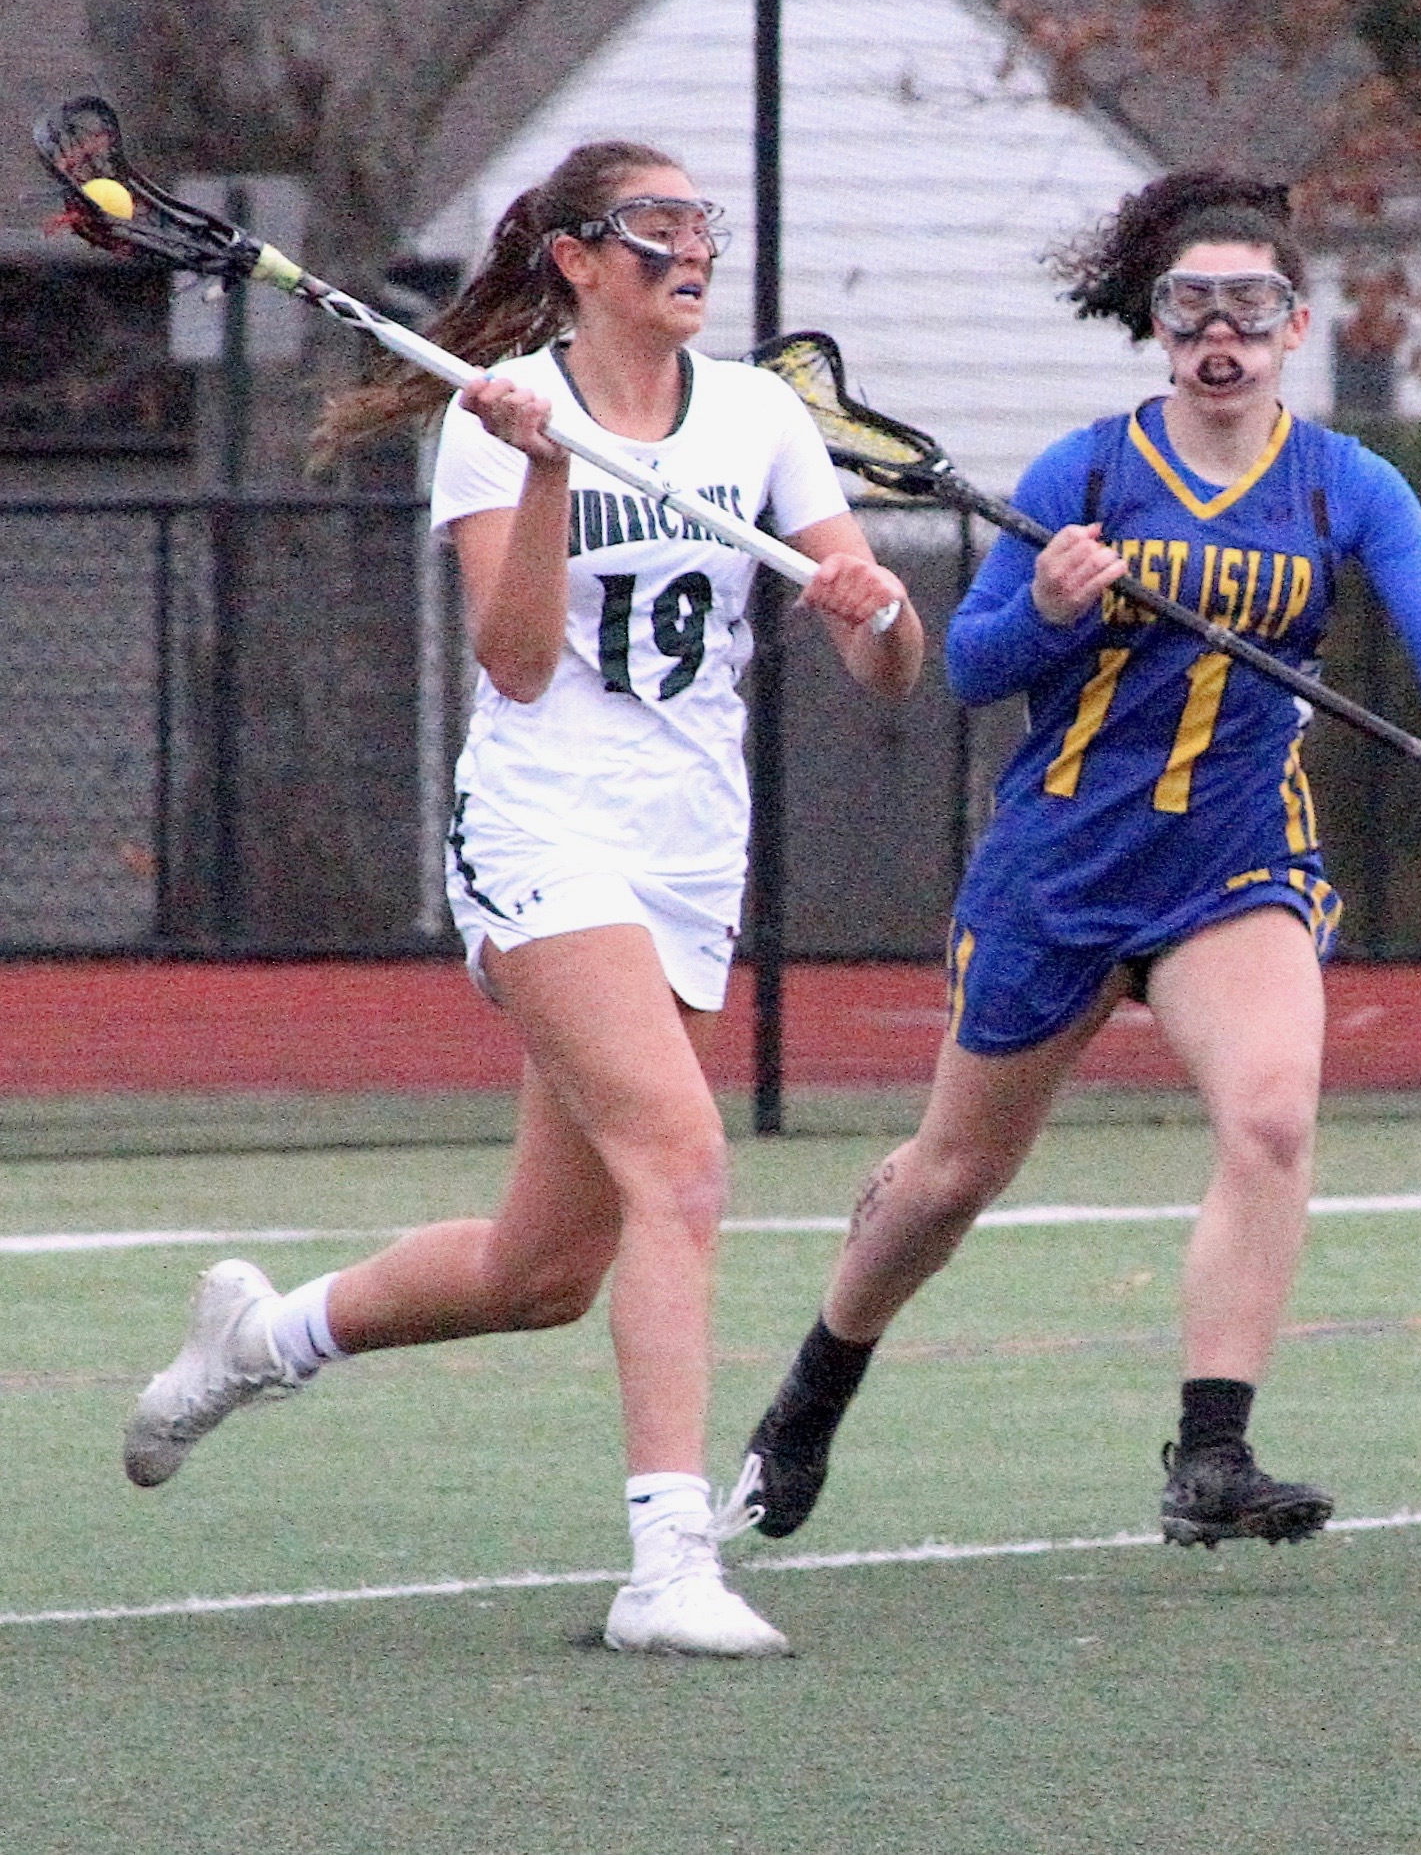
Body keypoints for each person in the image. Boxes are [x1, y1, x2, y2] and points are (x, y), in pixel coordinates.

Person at [122, 140, 924, 1657]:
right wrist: (549, 466)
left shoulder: (755, 413)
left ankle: (256, 1341)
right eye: (655, 228)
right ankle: (663, 1563)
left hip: (690, 853)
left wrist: (873, 613)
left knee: (541, 1270)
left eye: (704, 227)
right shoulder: (501, 425)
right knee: (681, 1163)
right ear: (575, 256)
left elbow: (887, 669)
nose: (691, 251)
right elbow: (514, 661)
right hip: (543, 830)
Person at [742, 170, 1421, 1558]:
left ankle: (1210, 1455)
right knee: (952, 1177)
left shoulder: (1346, 483)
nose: (1218, 336)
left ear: (1291, 325)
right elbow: (968, 668)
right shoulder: (1084, 475)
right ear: (1156, 325)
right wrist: (1045, 606)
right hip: (1060, 870)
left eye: (1248, 309)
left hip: (1235, 860)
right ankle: (813, 1388)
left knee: (1271, 1118)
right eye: (1190, 309)